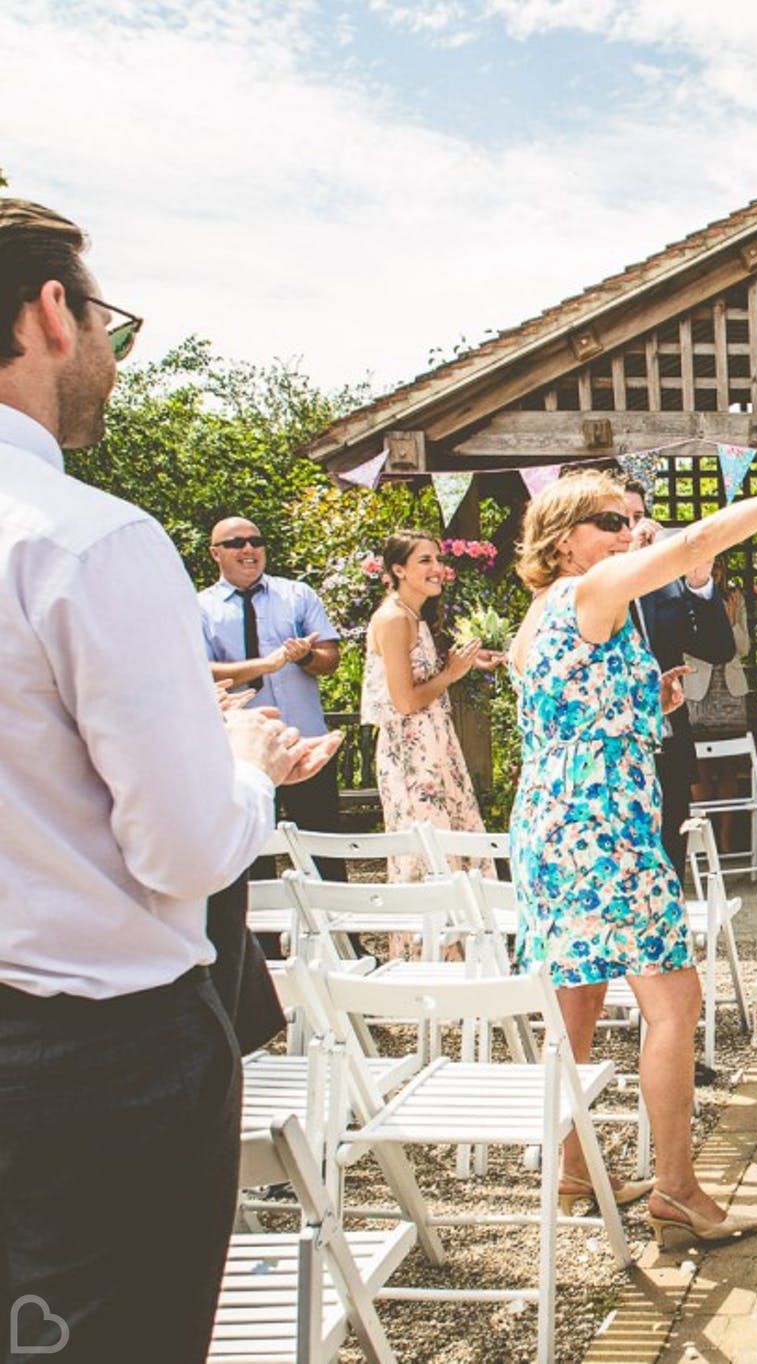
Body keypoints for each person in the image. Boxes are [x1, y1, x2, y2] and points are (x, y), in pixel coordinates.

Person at [0, 196, 336, 1362]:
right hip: (89, 1059)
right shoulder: (85, 539)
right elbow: (185, 850)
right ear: (51, 312)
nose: (104, 350)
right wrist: (244, 764)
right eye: (107, 321)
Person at [507, 460, 757, 1249]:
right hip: (604, 826)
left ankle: (571, 1170)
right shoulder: (592, 591)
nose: (630, 530)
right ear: (565, 544)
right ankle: (678, 1190)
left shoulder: (542, 613)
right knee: (675, 1003)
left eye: (630, 519)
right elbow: (701, 537)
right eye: (608, 521)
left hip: (550, 822)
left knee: (579, 1000)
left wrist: (649, 701)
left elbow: (576, 713)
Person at [196, 513, 344, 873]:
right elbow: (198, 671)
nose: (248, 549)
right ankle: (259, 931)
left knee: (324, 853)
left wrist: (305, 655)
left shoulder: (297, 594)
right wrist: (264, 665)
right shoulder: (199, 607)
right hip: (244, 756)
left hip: (307, 745)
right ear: (216, 553)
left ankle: (342, 931)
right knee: (253, 858)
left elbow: (330, 658)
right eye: (236, 543)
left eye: (255, 541)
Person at [360, 530, 496, 881]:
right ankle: (430, 936)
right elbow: (404, 702)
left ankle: (461, 934)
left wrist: (465, 662)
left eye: (438, 559)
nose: (437, 568)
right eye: (425, 560)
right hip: (411, 751)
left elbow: (421, 679)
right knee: (428, 849)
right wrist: (451, 674)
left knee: (451, 840)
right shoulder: (393, 619)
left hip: (435, 744)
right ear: (398, 570)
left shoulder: (412, 615)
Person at [619, 480, 737, 881]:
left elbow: (718, 650)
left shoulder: (665, 585)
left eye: (637, 518)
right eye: (620, 520)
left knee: (670, 864)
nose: (633, 530)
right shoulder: (584, 590)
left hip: (668, 742)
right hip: (614, 752)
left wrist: (700, 582)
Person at [681, 553, 751, 842]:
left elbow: (743, 648)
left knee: (728, 767)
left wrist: (733, 621)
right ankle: (703, 836)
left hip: (730, 689)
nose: (715, 570)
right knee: (699, 767)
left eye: (718, 564)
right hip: (698, 688)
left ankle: (725, 836)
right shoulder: (681, 597)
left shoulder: (735, 599)